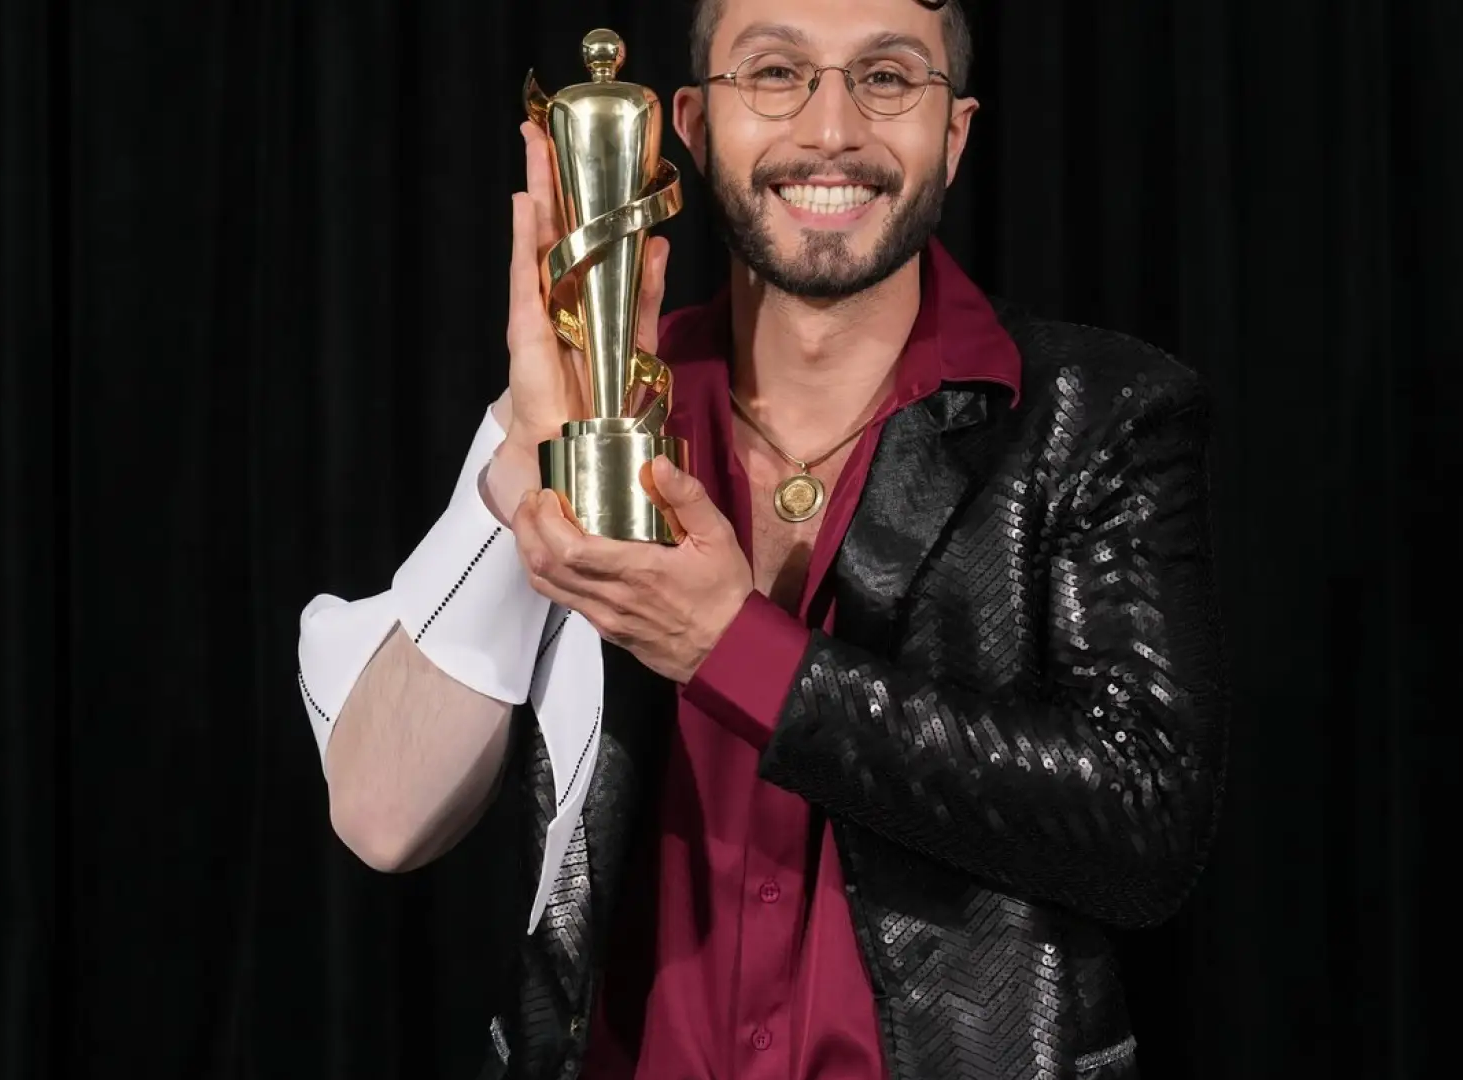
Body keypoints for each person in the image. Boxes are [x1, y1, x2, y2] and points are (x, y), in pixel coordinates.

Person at [295, 0, 1229, 1076]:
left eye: (887, 78)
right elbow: (385, 818)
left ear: (955, 133)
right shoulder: (595, 415)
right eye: (776, 72)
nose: (831, 130)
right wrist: (520, 457)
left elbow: (1145, 827)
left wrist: (734, 650)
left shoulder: (1097, 415)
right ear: (693, 127)